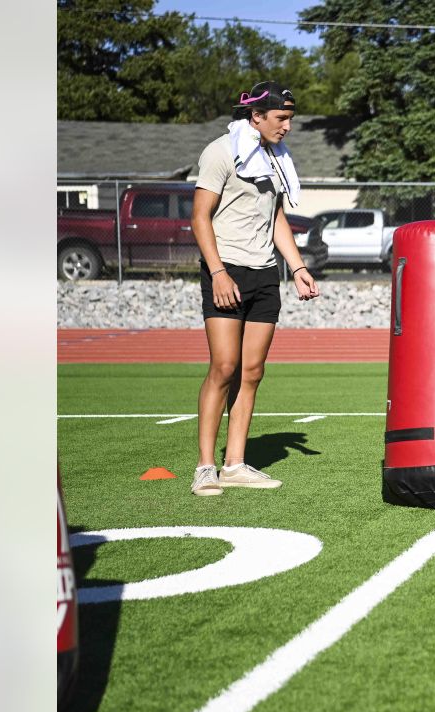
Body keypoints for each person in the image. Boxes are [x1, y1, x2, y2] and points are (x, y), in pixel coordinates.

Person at [189, 80, 320, 497]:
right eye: (281, 119)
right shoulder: (221, 152)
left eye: (289, 119)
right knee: (224, 368)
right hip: (226, 270)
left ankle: (235, 465)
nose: (287, 127)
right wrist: (217, 273)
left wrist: (296, 266)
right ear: (256, 116)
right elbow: (199, 218)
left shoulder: (276, 159)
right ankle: (205, 467)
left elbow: (276, 218)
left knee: (252, 372)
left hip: (265, 274)